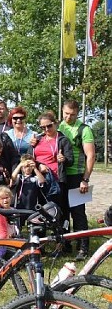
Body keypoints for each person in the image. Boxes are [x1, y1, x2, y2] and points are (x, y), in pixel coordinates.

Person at [57, 100, 95, 259]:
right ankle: (65, 245)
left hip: (78, 176)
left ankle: (83, 248)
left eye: (72, 114)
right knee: (63, 212)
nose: (68, 117)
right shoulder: (60, 126)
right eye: (66, 113)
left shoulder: (84, 129)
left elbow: (91, 156)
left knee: (78, 212)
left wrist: (85, 179)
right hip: (62, 175)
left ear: (77, 113)